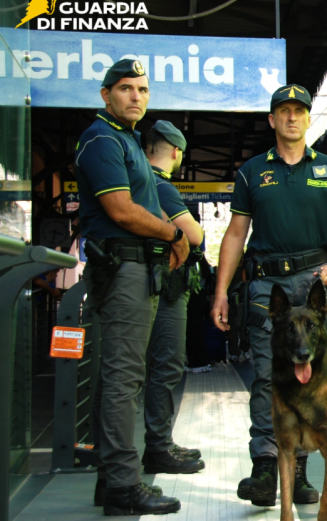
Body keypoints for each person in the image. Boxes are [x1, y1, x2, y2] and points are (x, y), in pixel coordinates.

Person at [210, 84, 327, 508]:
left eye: (300, 111)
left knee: (313, 380)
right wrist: (221, 291)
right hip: (267, 289)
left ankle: (299, 471)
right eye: (284, 111)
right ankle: (264, 467)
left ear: (309, 119)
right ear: (272, 120)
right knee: (266, 377)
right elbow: (236, 234)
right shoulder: (252, 172)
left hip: (316, 286)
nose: (292, 117)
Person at [75, 58, 188, 516]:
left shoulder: (127, 141)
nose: (135, 96)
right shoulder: (101, 138)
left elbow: (142, 203)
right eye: (125, 88)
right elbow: (121, 210)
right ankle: (122, 484)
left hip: (137, 269)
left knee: (125, 375)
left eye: (142, 89)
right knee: (124, 377)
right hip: (122, 268)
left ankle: (112, 480)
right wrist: (174, 235)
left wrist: (168, 237)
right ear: (106, 95)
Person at [140, 120, 206, 474]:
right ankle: (158, 446)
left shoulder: (139, 181)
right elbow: (194, 235)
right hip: (166, 290)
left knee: (153, 367)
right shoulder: (161, 186)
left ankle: (159, 442)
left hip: (154, 284)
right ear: (177, 152)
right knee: (166, 365)